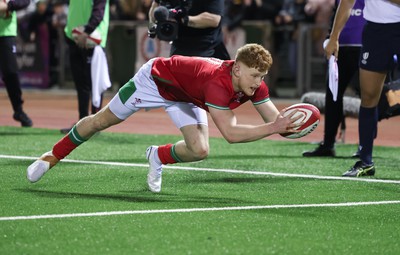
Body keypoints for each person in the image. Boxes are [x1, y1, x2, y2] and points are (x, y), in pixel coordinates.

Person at [27, 43, 303, 193]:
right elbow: (231, 134)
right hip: (154, 81)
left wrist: (294, 123)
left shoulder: (254, 83)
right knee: (102, 121)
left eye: (262, 77)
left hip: (185, 95)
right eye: (254, 76)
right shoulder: (216, 84)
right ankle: (52, 156)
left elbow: (277, 122)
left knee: (200, 150)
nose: (258, 83)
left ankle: (157, 156)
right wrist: (274, 127)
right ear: (237, 69)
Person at [325, 0, 400, 177]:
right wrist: (334, 37)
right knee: (368, 96)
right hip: (375, 31)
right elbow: (346, 3)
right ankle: (366, 161)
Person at [303, 0, 365, 157]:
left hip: (364, 44)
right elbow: (339, 11)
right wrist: (331, 37)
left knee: (368, 98)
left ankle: (365, 147)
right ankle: (328, 143)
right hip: (341, 46)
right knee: (333, 96)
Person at [60, 0, 110, 133]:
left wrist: (86, 32)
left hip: (92, 40)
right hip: (74, 39)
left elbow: (99, 13)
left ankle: (95, 124)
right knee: (80, 84)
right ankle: (82, 123)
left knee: (94, 84)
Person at [148, 0, 230, 60]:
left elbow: (214, 19)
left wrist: (184, 20)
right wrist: (154, 23)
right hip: (179, 46)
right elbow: (155, 8)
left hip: (207, 47)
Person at [0, 0, 33, 127]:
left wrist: (8, 5)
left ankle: (18, 110)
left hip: (6, 33)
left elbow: (25, 1)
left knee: (11, 72)